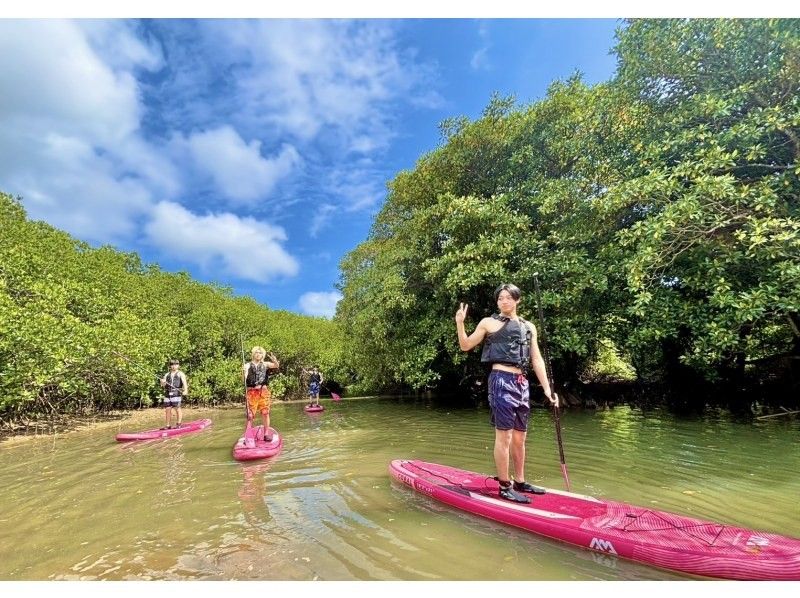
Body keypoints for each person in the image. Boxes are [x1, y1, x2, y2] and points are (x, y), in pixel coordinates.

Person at [455, 283, 558, 504]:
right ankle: (504, 485)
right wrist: (460, 323)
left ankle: (520, 481)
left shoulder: (528, 326)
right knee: (505, 436)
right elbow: (465, 345)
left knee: (520, 437)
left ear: (517, 300)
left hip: (522, 383)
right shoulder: (489, 323)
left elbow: (536, 359)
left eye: (508, 298)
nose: (504, 301)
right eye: (500, 298)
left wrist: (548, 390)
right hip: (501, 380)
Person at [243, 346, 280, 441]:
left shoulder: (266, 364)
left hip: (263, 391)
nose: (258, 354)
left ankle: (266, 434)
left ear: (262, 354)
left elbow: (276, 366)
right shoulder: (247, 365)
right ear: (253, 354)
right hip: (252, 392)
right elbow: (244, 378)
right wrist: (244, 373)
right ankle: (248, 435)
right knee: (250, 415)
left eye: (260, 352)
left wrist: (275, 360)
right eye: (256, 352)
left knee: (265, 412)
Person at [160, 359, 188, 429]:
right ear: (170, 366)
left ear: (178, 365)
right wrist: (162, 382)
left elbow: (185, 383)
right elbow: (163, 386)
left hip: (176, 392)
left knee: (177, 408)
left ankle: (178, 424)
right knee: (167, 409)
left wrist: (185, 390)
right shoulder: (166, 374)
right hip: (167, 393)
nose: (173, 366)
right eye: (172, 365)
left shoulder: (180, 373)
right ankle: (168, 425)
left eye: (175, 364)